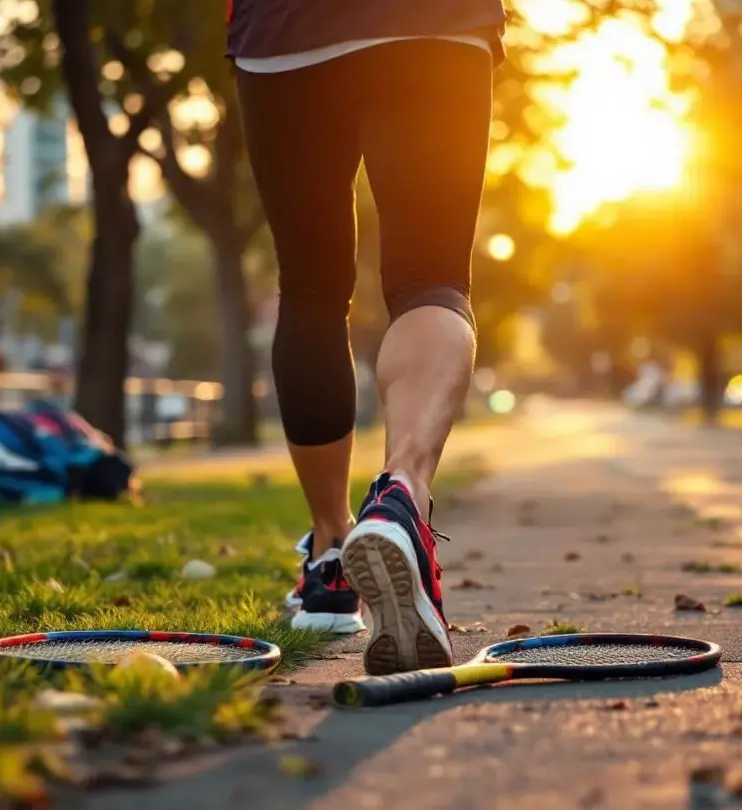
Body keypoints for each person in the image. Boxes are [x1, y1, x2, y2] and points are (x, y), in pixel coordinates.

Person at [227, 1, 507, 675]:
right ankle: (400, 495)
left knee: (312, 288)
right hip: (435, 22)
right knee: (431, 277)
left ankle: (331, 555)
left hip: (285, 29)